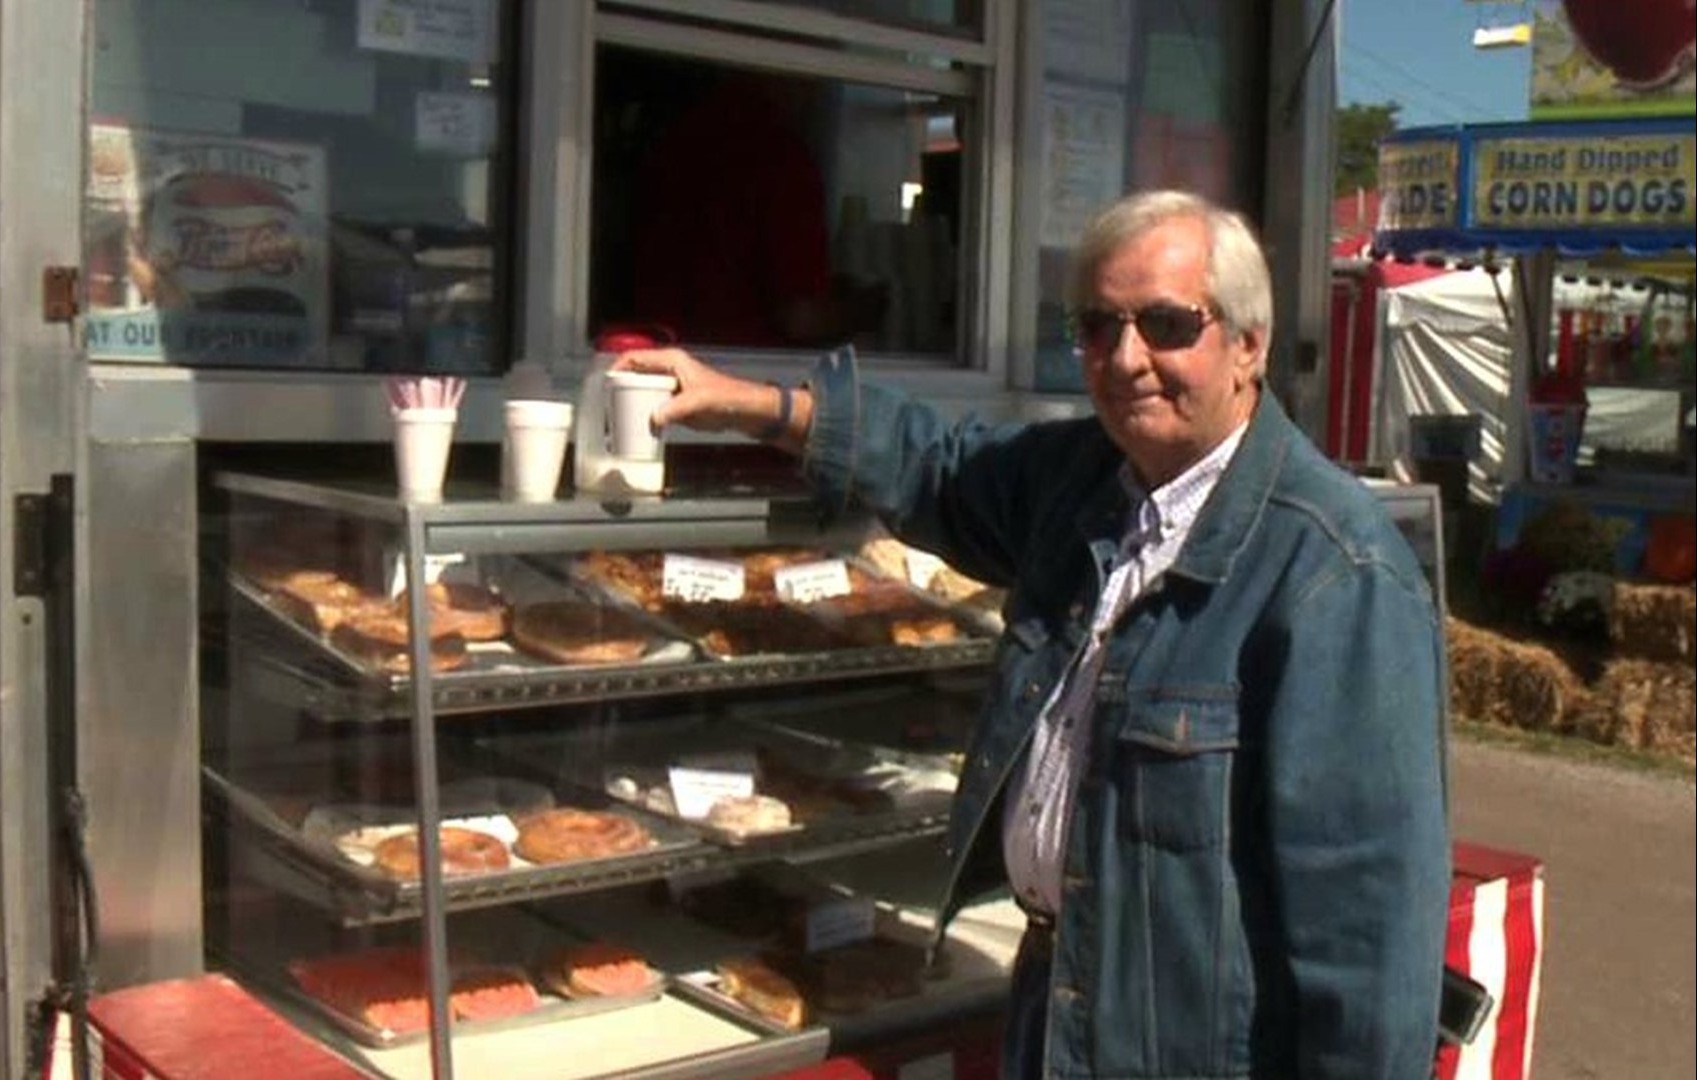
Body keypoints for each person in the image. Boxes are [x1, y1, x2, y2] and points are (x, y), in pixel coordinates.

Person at [618, 190, 1451, 1078]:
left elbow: (1369, 942)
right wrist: (745, 405)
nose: (1127, 359)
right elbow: (937, 463)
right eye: (1098, 328)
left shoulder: (1333, 574)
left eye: (1167, 325)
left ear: (1248, 345)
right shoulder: (1086, 483)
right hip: (1057, 1009)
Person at [628, 69, 843, 348]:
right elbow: (799, 318)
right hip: (742, 369)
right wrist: (863, 311)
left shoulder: (675, 135)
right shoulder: (778, 154)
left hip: (655, 358)